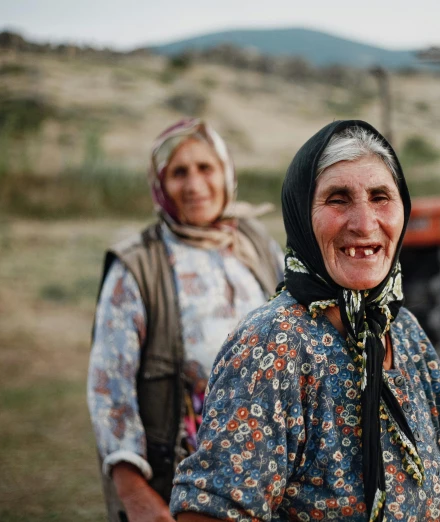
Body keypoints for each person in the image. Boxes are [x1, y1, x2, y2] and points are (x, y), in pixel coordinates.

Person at [170, 120, 440, 521]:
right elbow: (211, 509)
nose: (365, 224)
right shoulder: (273, 347)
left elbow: (427, 476)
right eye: (338, 199)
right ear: (301, 215)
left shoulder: (401, 329)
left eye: (380, 197)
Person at [87, 118, 284, 522]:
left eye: (205, 168)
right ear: (159, 184)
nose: (194, 185)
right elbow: (110, 387)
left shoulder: (255, 243)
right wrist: (133, 489)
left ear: (226, 173)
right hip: (183, 477)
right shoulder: (138, 265)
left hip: (270, 467)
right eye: (178, 172)